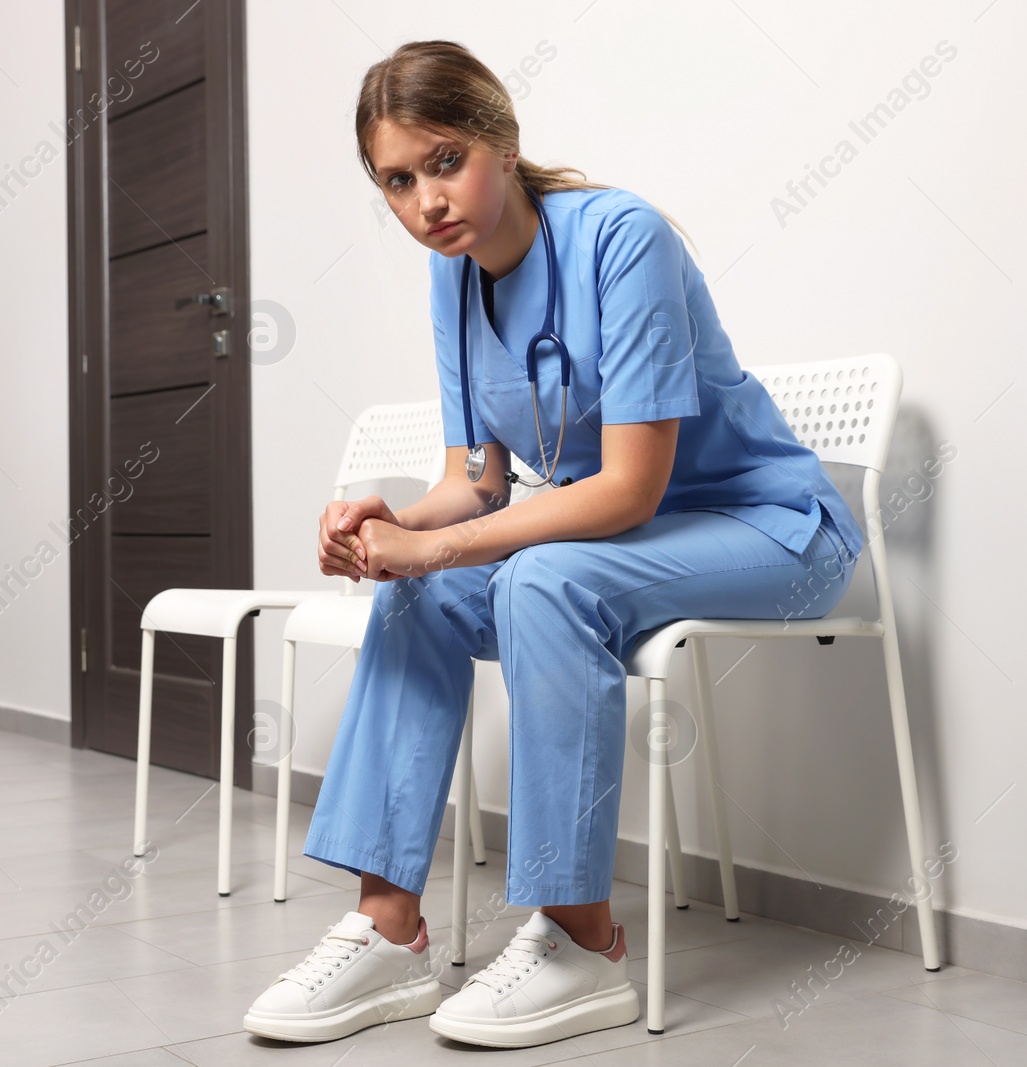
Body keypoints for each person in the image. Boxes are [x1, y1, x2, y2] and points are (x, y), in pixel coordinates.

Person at [242, 40, 864, 1050]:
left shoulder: (621, 237)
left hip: (775, 533)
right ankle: (387, 927)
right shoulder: (453, 279)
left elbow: (627, 488)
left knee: (537, 576)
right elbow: (475, 480)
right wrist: (384, 519)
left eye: (443, 161)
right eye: (396, 180)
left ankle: (583, 942)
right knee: (420, 594)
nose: (425, 202)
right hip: (629, 546)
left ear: (500, 138)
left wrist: (437, 545)